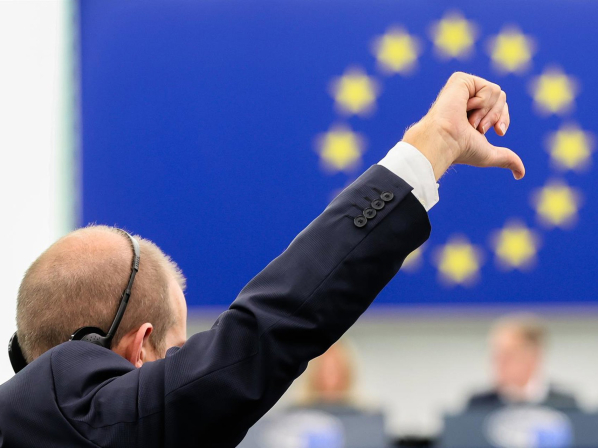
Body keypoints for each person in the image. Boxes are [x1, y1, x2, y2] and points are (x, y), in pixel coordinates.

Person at [0, 72, 524, 447]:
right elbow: (270, 327)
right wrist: (436, 142)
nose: (191, 374)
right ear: (139, 351)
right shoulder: (91, 419)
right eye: (179, 354)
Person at [466, 313, 578, 411]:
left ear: (535, 356)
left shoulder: (565, 405)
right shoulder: (478, 405)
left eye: (508, 354)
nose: (499, 362)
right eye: (495, 354)